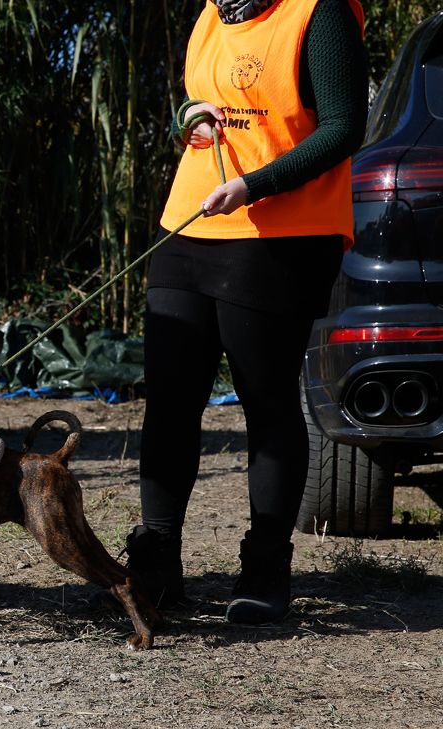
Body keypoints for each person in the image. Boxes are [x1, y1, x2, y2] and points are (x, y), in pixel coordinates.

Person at [127, 0, 367, 623]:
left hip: (279, 235)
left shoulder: (320, 14)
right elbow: (196, 99)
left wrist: (253, 185)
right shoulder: (212, 14)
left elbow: (344, 127)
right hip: (193, 219)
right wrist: (191, 117)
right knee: (170, 396)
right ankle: (157, 560)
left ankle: (265, 566)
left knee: (266, 402)